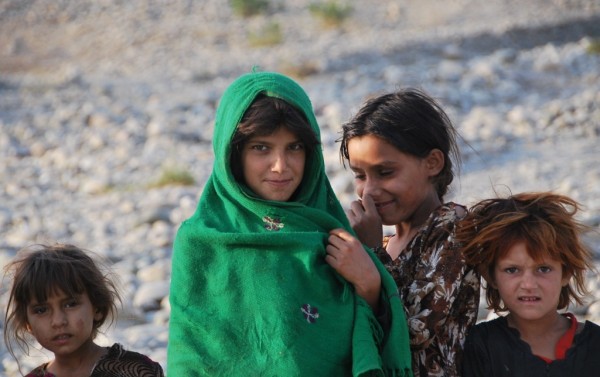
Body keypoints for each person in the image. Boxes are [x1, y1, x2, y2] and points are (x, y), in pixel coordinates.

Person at [167, 70, 413, 376]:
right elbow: (188, 356)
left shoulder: (333, 234)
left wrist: (369, 284)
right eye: (261, 148)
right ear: (232, 153)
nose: (281, 166)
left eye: (294, 147)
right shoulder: (202, 241)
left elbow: (366, 343)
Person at [338, 88, 480, 377]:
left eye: (385, 172)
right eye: (360, 175)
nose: (370, 190)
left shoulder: (454, 227)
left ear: (432, 163)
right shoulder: (388, 242)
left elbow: (416, 330)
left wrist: (372, 254)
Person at [457, 192, 600, 376]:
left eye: (543, 269)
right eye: (512, 270)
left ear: (566, 273)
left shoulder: (595, 345)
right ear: (491, 276)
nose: (529, 284)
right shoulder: (480, 346)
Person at [3, 243, 165, 377]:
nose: (59, 321)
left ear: (97, 307)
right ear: (27, 324)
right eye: (41, 310)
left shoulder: (135, 371)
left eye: (70, 304)